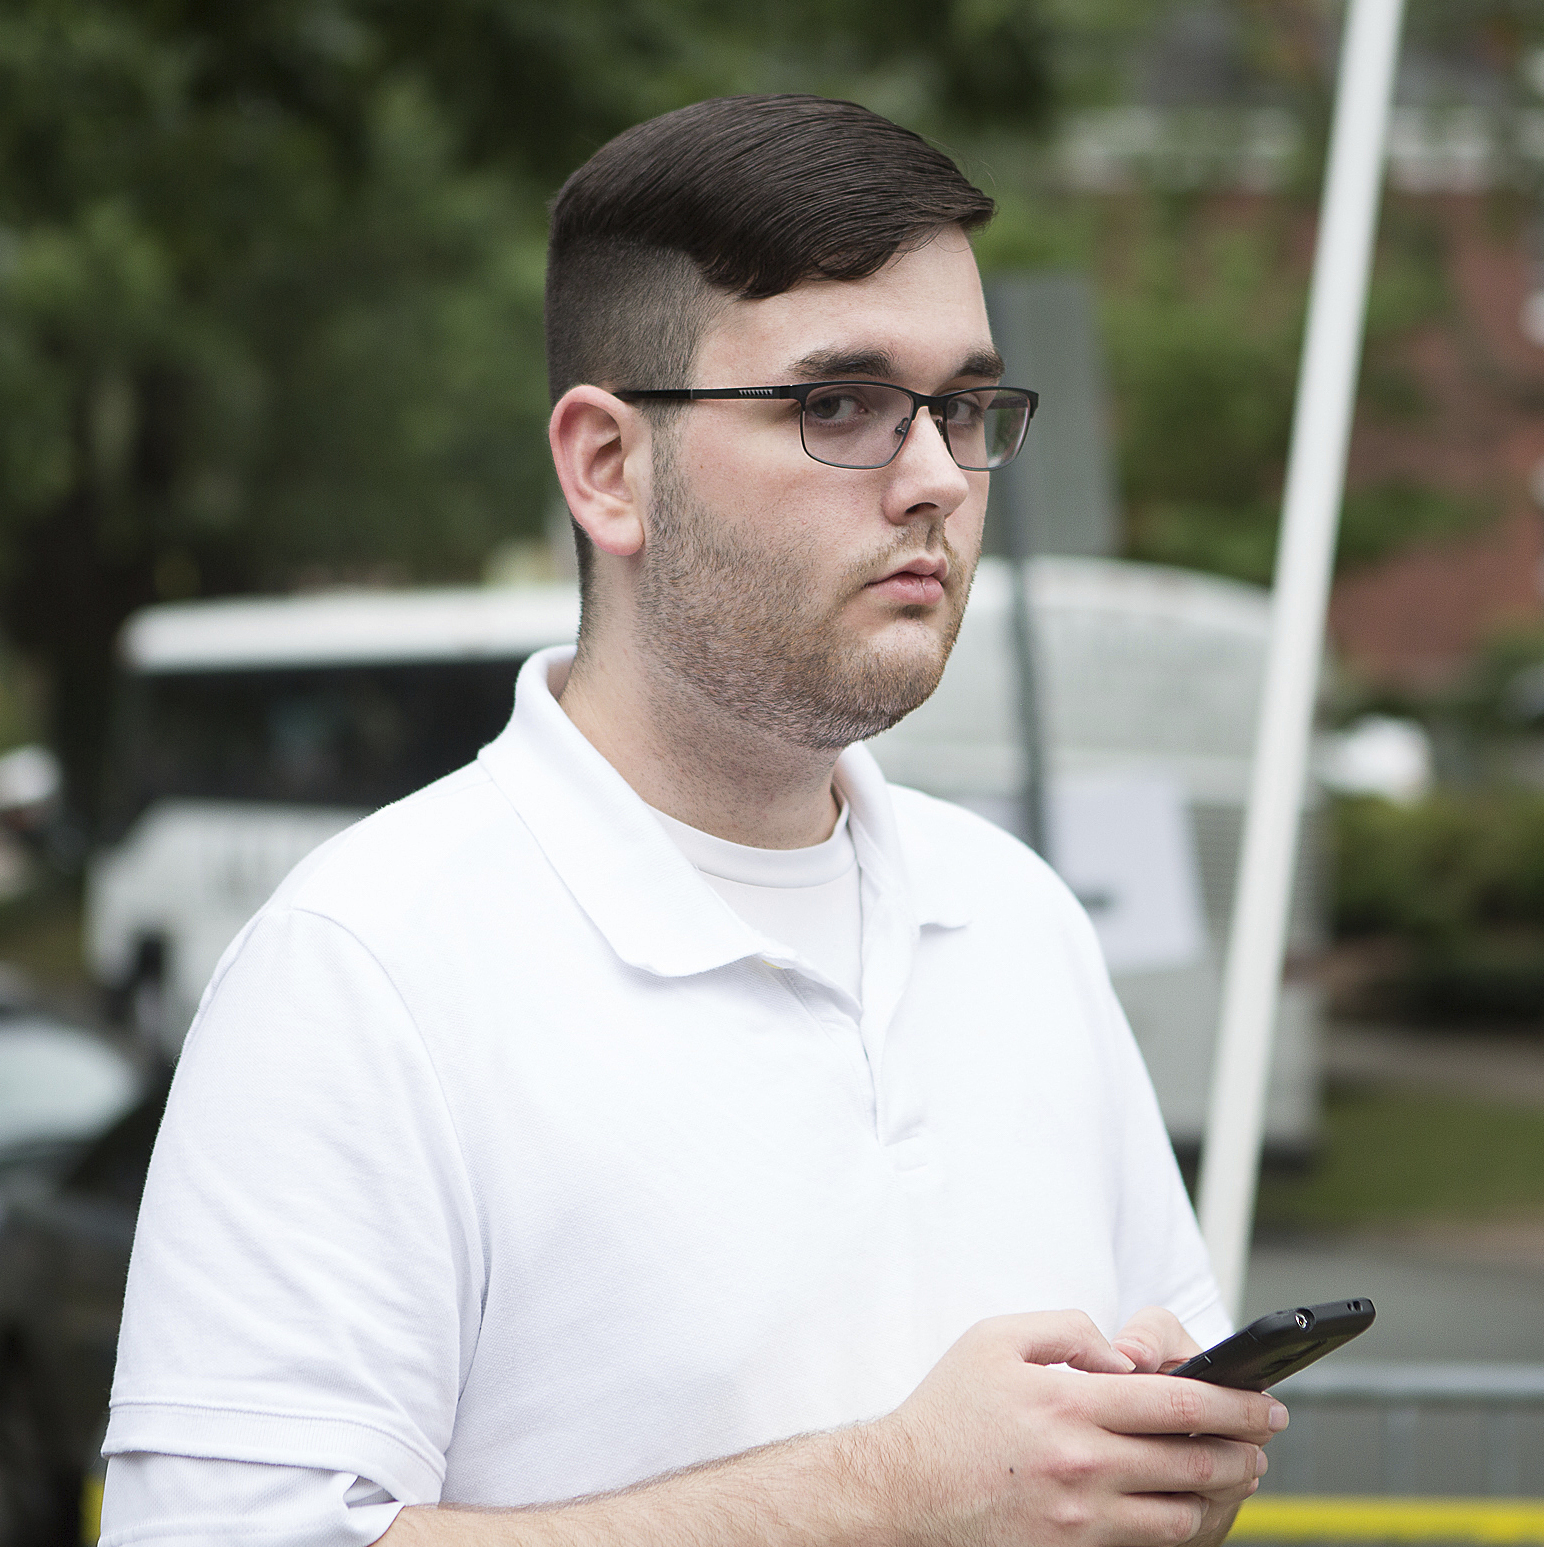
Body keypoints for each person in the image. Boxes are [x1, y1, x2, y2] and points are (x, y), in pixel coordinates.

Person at [100, 95, 1279, 1547]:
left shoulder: (1018, 916)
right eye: (837, 405)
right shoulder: (363, 970)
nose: (933, 480)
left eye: (963, 408)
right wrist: (893, 1494)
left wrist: (1151, 1470)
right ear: (608, 467)